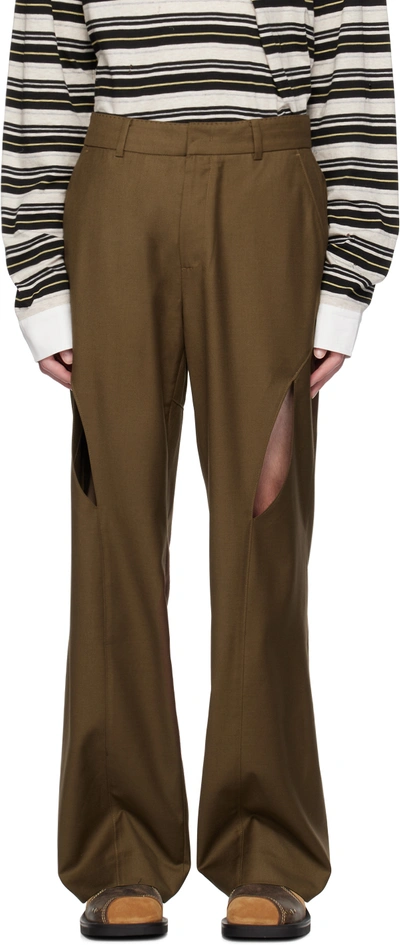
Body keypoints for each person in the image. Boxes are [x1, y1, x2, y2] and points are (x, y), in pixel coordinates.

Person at [1, 1, 398, 940]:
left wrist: (347, 278)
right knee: (115, 535)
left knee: (264, 533)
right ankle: (119, 847)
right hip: (115, 181)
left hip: (271, 190)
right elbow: (46, 75)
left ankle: (267, 849)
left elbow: (355, 74)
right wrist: (40, 280)